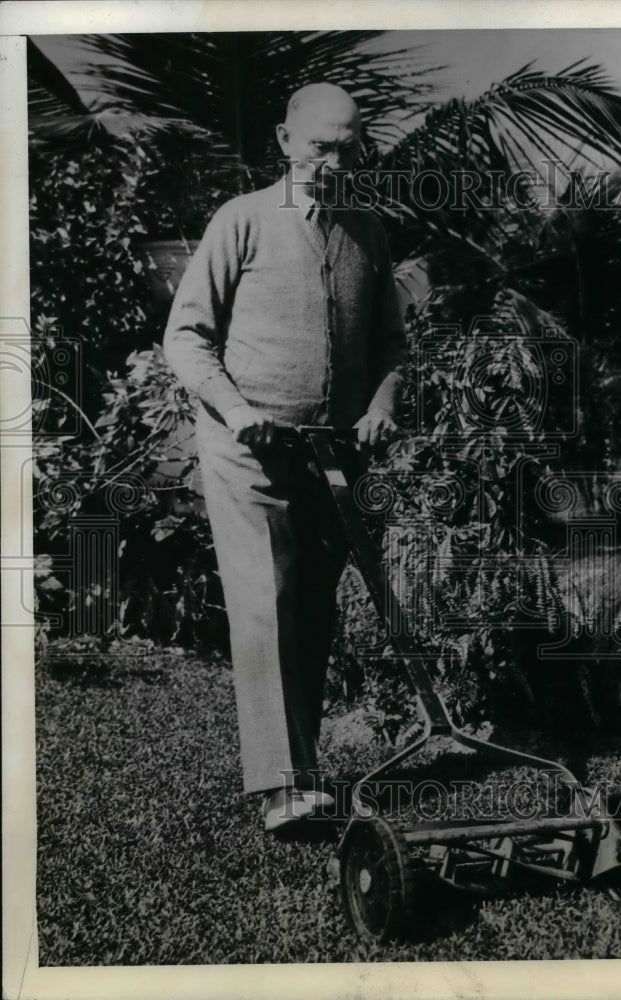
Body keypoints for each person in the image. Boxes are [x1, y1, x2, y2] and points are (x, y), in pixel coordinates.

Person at [163, 83, 406, 833]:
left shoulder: (368, 232)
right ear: (285, 141)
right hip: (248, 453)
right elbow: (186, 336)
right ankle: (283, 786)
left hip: (333, 457)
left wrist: (382, 405)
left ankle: (304, 770)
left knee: (310, 608)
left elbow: (391, 347)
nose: (333, 163)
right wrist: (237, 411)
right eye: (319, 147)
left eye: (348, 149)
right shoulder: (240, 221)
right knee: (265, 600)